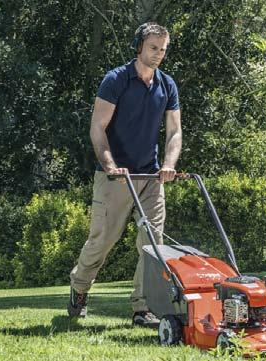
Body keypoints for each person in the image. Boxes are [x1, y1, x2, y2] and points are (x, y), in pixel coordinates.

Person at [67, 22, 182, 325]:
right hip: (115, 177)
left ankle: (142, 308)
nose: (158, 54)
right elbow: (97, 127)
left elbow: (174, 132)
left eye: (163, 49)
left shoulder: (167, 85)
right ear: (139, 46)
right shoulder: (116, 80)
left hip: (150, 178)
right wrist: (109, 166)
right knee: (102, 240)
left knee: (153, 244)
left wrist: (168, 164)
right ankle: (79, 287)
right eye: (153, 48)